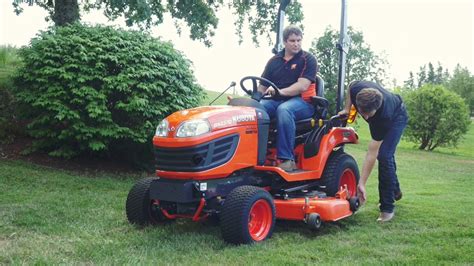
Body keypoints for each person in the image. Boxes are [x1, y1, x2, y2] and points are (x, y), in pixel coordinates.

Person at [339, 80, 408, 222]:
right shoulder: (357, 89)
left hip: (398, 116)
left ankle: (387, 208)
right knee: (386, 155)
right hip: (387, 107)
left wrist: (361, 183)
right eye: (362, 113)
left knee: (384, 156)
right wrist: (347, 109)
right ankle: (395, 190)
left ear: (376, 109)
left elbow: (372, 152)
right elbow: (350, 86)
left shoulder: (382, 116)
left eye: (369, 115)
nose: (366, 117)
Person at [256, 25, 318, 172]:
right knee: (256, 110)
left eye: (299, 40)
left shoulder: (308, 59)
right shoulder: (274, 61)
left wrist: (279, 92)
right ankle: (256, 154)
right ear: (284, 42)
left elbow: (302, 86)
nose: (296, 44)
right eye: (292, 41)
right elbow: (263, 86)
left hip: (303, 102)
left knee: (284, 110)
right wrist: (254, 100)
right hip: (277, 99)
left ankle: (286, 160)